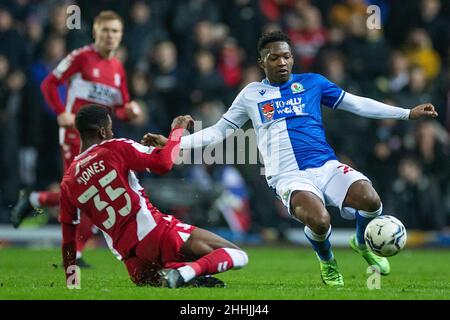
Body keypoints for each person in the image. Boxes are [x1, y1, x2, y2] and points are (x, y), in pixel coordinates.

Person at [175, 31, 438, 286]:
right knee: (320, 220)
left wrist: (406, 113)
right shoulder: (251, 94)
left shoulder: (313, 83)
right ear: (261, 62)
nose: (282, 62)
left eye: (286, 57)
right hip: (288, 175)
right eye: (274, 57)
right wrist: (177, 141)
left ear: (293, 58)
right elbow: (219, 131)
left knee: (371, 200)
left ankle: (362, 242)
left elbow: (356, 103)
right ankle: (327, 261)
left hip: (326, 165)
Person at [61, 105, 248, 288]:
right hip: (158, 234)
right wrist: (176, 132)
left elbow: (69, 235)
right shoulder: (113, 148)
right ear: (102, 132)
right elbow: (164, 164)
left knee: (181, 275)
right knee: (236, 254)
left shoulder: (68, 181)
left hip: (134, 263)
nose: (112, 134)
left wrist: (71, 280)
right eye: (110, 129)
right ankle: (186, 273)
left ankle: (184, 275)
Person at [11, 11, 142, 267]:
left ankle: (37, 202)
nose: (110, 36)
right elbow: (49, 83)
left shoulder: (117, 68)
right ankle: (72, 255)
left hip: (100, 142)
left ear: (121, 36)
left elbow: (121, 107)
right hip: (75, 135)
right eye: (105, 31)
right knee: (83, 193)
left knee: (88, 196)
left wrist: (132, 111)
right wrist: (62, 112)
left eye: (115, 31)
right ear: (95, 32)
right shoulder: (81, 57)